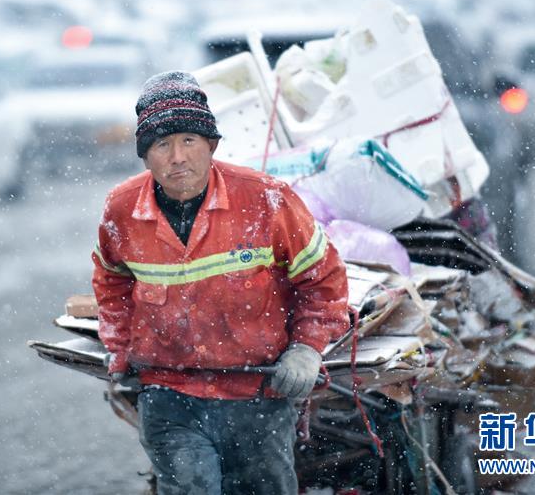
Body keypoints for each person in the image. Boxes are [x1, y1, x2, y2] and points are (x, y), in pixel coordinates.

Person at [92, 70, 349, 495]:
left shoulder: (266, 199)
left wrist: (306, 349)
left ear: (211, 145)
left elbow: (322, 279)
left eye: (189, 141)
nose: (177, 157)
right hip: (169, 392)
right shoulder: (121, 210)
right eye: (162, 144)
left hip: (258, 392)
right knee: (191, 487)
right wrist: (119, 353)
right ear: (145, 156)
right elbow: (112, 282)